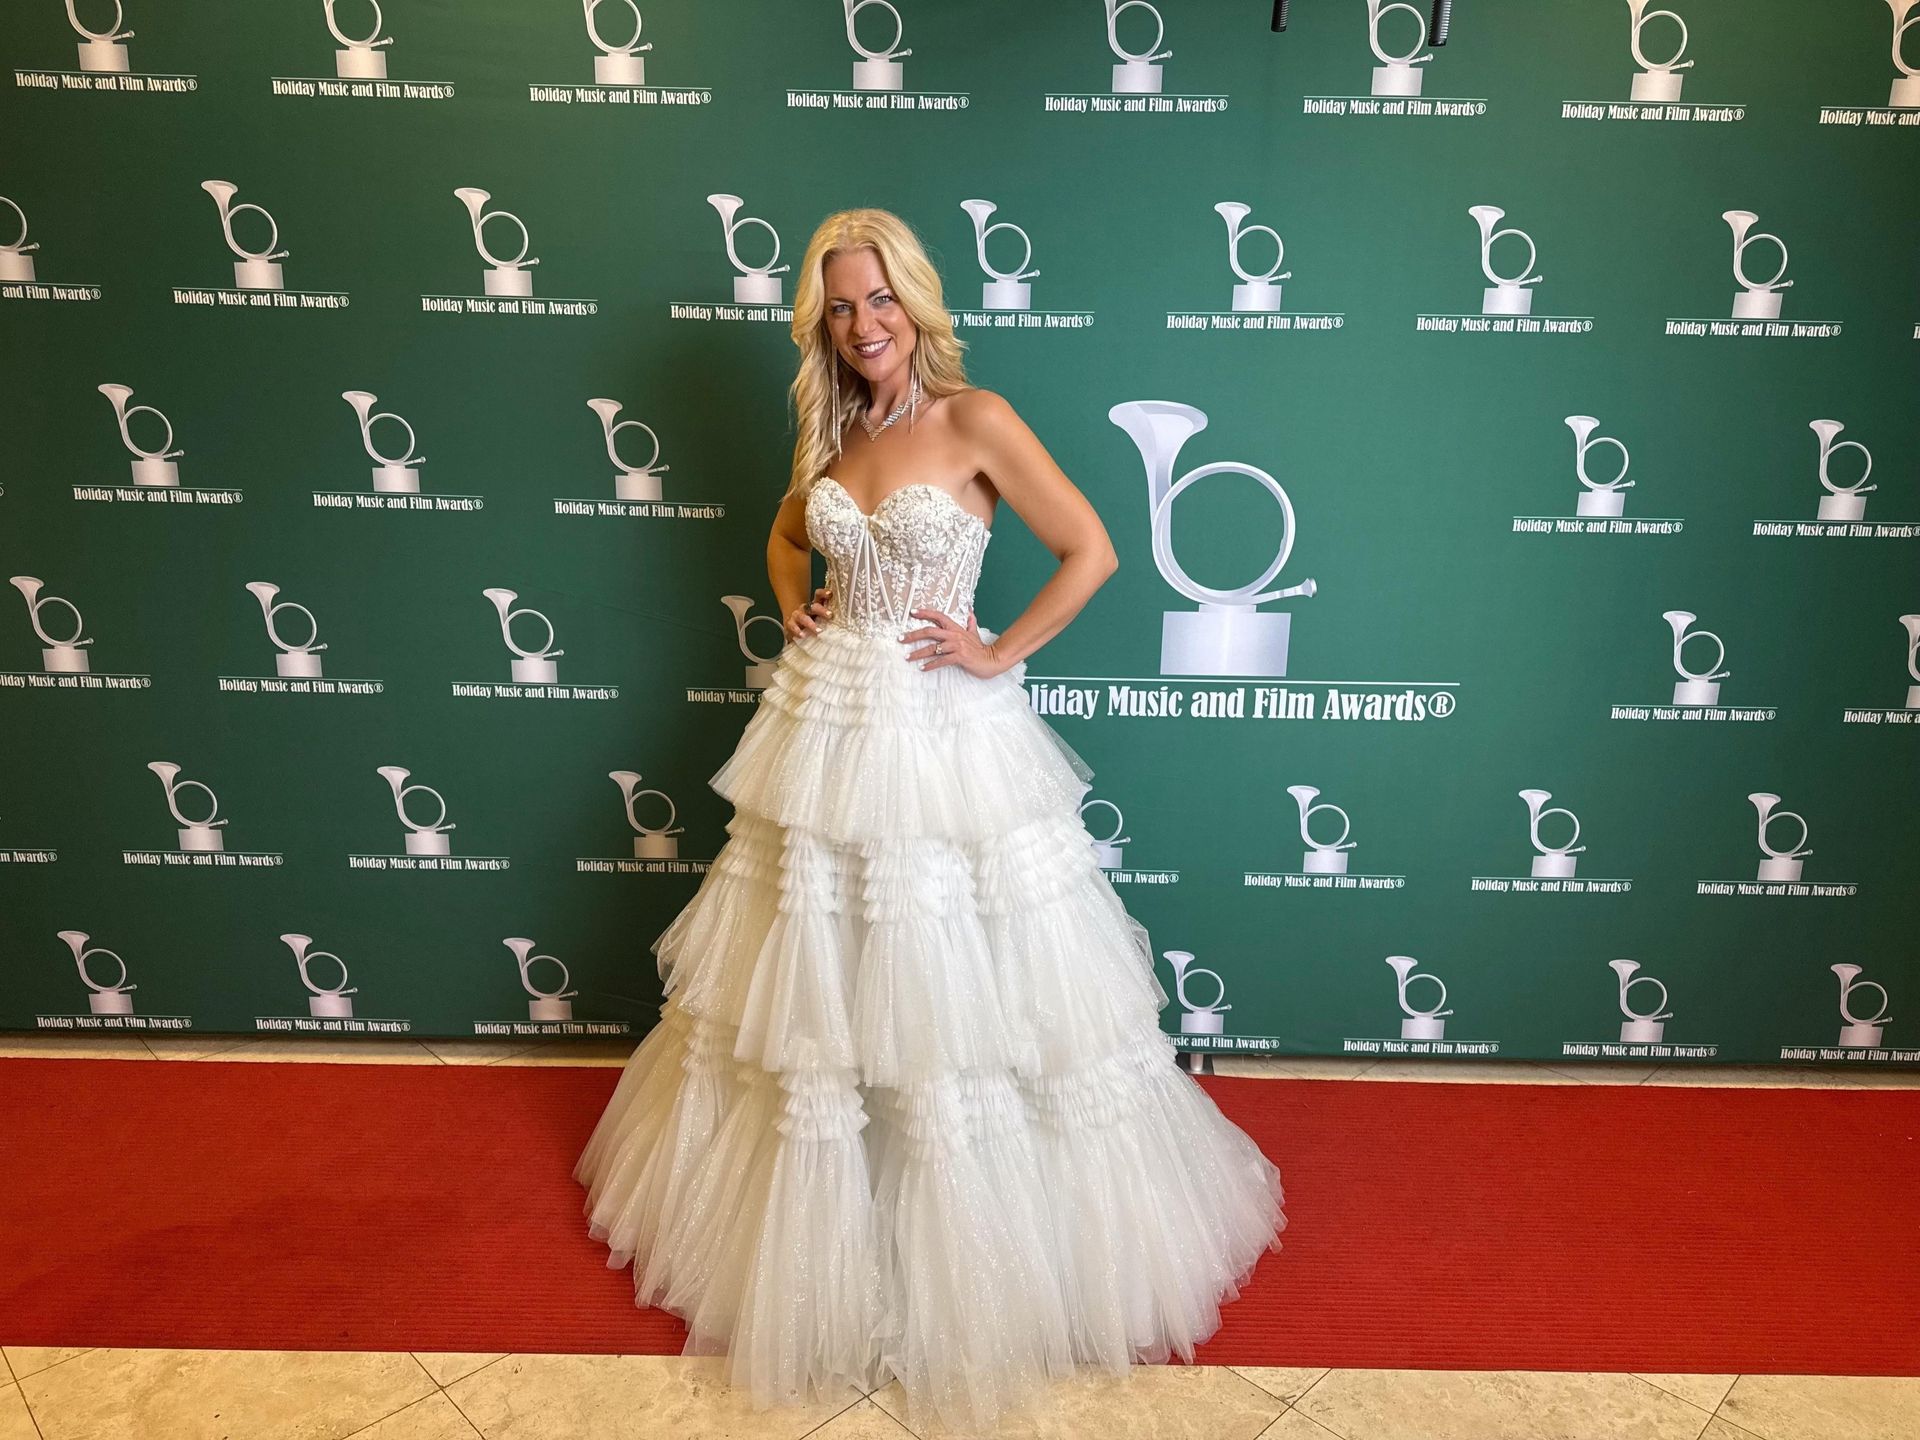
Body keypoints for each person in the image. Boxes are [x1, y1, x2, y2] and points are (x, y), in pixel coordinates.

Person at [574, 207, 1285, 1436]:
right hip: (825, 729)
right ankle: (826, 1253)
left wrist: (997, 650)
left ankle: (971, 1271)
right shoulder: (832, 435)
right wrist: (795, 601)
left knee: (951, 1001)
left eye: (880, 299)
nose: (864, 325)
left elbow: (1092, 550)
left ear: (915, 301)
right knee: (816, 999)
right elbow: (787, 536)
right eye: (841, 307)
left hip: (942, 738)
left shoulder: (976, 420)